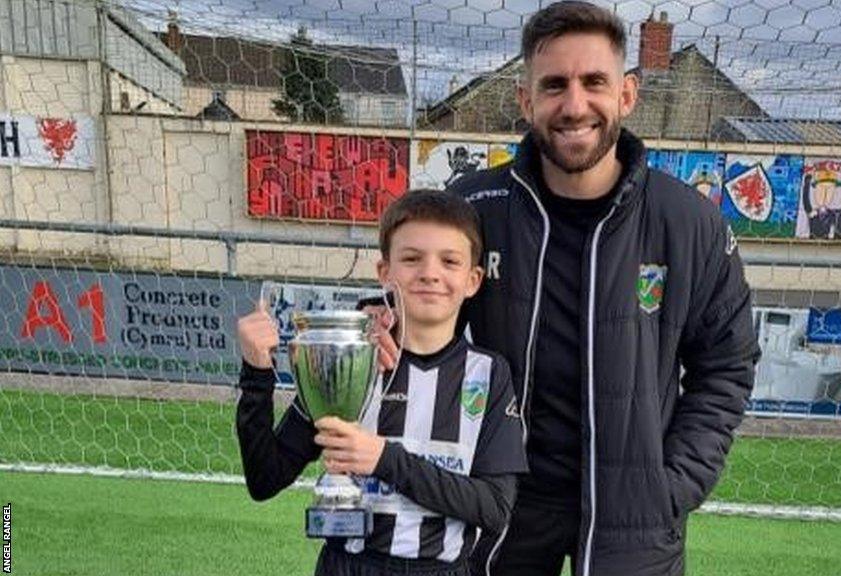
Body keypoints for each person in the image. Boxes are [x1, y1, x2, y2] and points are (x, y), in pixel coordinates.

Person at [372, 3, 761, 575]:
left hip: (633, 518)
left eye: (594, 82)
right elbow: (416, 291)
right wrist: (379, 323)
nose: (575, 105)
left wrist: (671, 484)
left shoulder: (690, 224)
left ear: (627, 95)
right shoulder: (477, 208)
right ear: (526, 100)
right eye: (554, 85)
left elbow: (727, 366)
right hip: (497, 504)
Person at [236, 189, 529, 576]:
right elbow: (265, 478)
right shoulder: (350, 363)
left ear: (473, 279)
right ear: (384, 272)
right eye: (411, 259)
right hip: (350, 566)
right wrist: (256, 373)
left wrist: (382, 459)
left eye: (449, 261)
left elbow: (494, 508)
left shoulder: (489, 375)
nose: (429, 273)